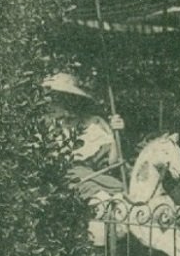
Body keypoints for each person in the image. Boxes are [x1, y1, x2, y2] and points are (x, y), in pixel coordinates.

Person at [43, 72, 126, 201]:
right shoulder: (47, 127)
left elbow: (111, 163)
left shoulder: (93, 124)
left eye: (68, 98)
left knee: (119, 191)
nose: (62, 103)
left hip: (94, 177)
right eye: (57, 98)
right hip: (63, 180)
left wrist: (115, 135)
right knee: (97, 196)